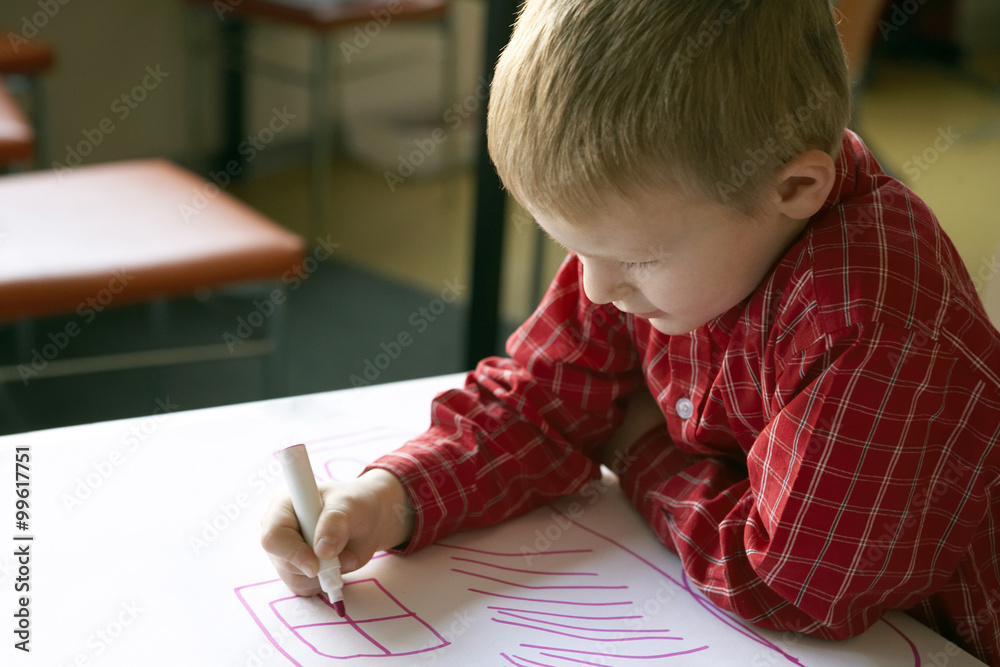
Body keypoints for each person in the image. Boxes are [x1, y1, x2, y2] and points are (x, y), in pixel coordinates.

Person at [261, 1, 1000, 662]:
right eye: (575, 248)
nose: (595, 288)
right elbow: (535, 405)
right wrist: (387, 497)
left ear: (795, 190)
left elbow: (792, 589)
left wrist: (633, 443)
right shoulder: (668, 235)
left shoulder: (876, 323)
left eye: (636, 258)